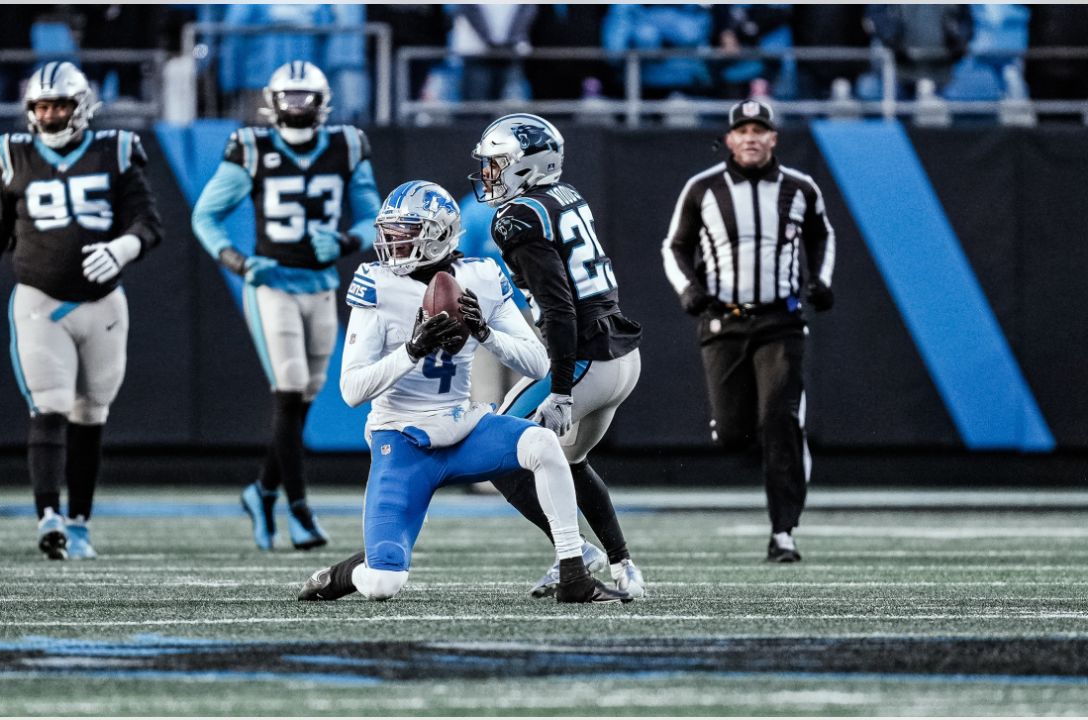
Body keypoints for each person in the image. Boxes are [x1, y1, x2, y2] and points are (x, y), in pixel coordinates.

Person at [297, 181, 630, 604]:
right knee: (383, 584)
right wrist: (411, 350)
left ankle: (574, 573)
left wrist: (486, 333)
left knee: (544, 443)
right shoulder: (377, 284)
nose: (392, 244)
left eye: (406, 234)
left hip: (462, 426)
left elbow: (536, 362)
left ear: (439, 235)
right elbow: (351, 391)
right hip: (401, 439)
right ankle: (343, 574)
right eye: (390, 233)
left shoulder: (481, 276)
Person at [0, 61, 163, 560]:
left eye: (60, 104)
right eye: (43, 106)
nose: (52, 114)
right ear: (30, 111)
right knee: (49, 403)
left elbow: (149, 221)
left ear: (80, 107)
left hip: (103, 304)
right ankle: (49, 518)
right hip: (40, 299)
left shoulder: (115, 151)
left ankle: (79, 521)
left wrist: (126, 246)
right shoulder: (14, 155)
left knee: (92, 410)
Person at [192, 60, 381, 552]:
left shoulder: (346, 146)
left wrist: (342, 241)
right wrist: (236, 260)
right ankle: (298, 510)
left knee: (302, 398)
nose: (297, 108)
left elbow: (373, 219)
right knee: (290, 387)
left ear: (323, 104)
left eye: (306, 99)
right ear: (272, 103)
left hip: (319, 283)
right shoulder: (252, 148)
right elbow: (206, 215)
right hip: (271, 283)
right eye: (289, 98)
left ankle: (262, 491)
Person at [469, 113, 646, 599]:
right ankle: (622, 563)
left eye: (498, 163)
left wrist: (562, 389)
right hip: (620, 355)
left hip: (584, 357)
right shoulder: (565, 196)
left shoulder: (518, 216)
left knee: (494, 450)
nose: (489, 172)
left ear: (528, 165)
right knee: (568, 460)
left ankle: (578, 554)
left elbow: (558, 308)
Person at [661, 99, 835, 563]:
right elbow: (674, 246)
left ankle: (784, 533)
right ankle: (749, 432)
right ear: (730, 139)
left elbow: (823, 234)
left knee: (779, 420)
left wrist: (820, 282)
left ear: (773, 138)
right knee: (734, 433)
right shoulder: (702, 189)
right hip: (724, 319)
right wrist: (689, 291)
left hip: (781, 320)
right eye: (744, 130)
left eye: (761, 130)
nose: (752, 137)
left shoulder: (800, 188)